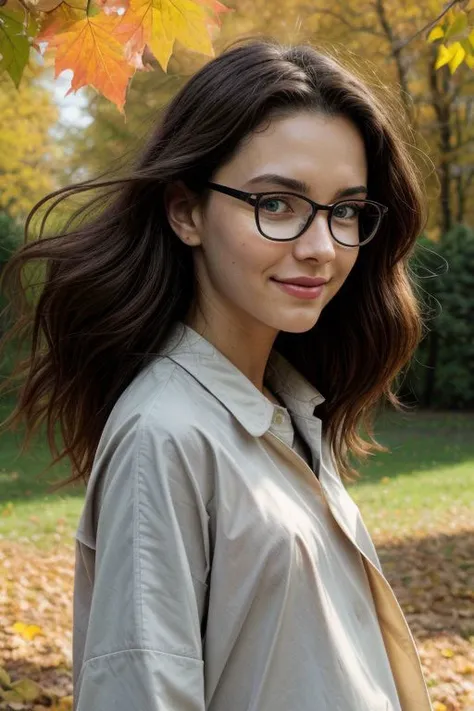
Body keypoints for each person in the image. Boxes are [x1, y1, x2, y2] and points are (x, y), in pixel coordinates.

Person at [0, 38, 433, 711]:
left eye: (345, 210)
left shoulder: (285, 411)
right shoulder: (165, 434)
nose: (321, 247)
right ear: (186, 211)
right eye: (278, 203)